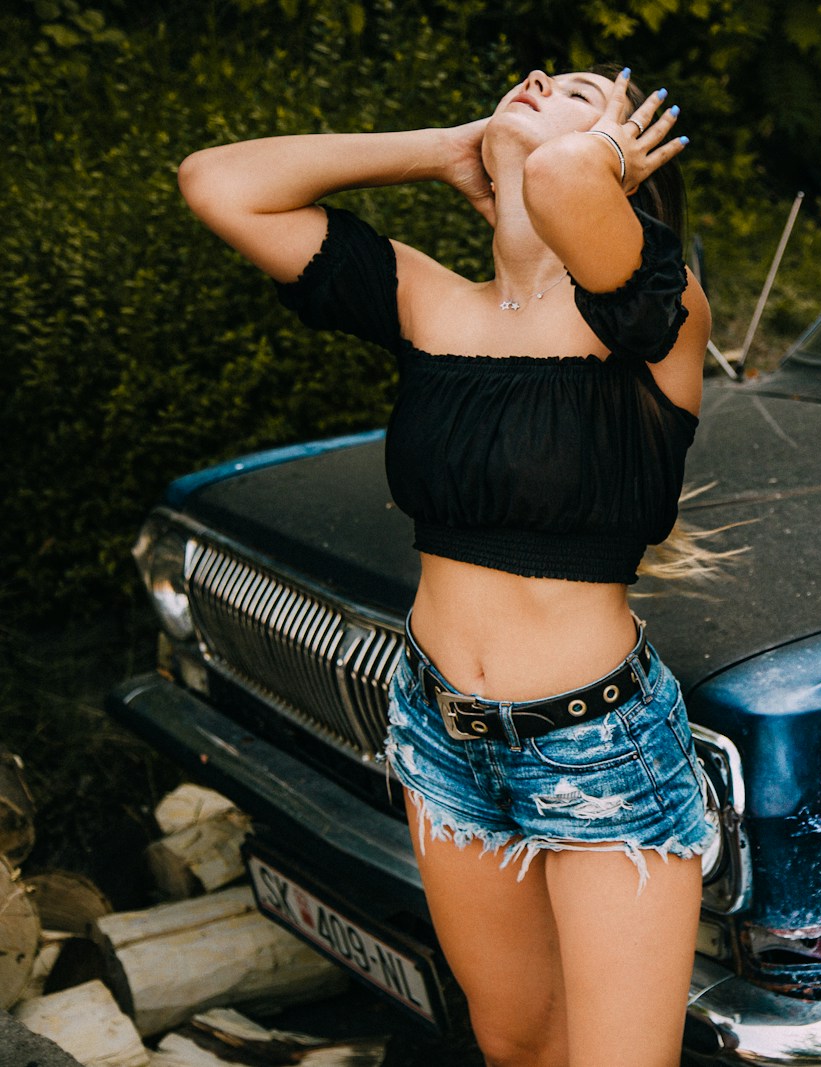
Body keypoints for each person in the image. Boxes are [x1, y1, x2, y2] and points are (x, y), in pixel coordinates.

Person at [178, 66, 718, 1067]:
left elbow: (561, 187)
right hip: (439, 732)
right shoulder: (433, 303)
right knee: (514, 1042)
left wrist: (579, 157)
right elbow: (219, 182)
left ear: (628, 158)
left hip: (597, 751)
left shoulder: (650, 308)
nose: (541, 80)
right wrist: (441, 147)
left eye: (581, 91)